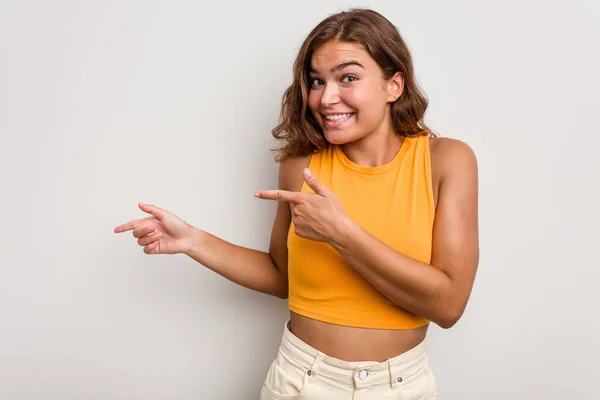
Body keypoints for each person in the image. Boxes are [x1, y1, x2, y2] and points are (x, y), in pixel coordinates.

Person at [114, 8, 479, 399]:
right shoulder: (301, 165)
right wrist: (192, 241)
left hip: (401, 385)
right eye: (316, 81)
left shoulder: (446, 161)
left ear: (394, 85)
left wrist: (342, 234)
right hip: (301, 381)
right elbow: (280, 276)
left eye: (349, 78)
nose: (326, 97)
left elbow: (449, 306)